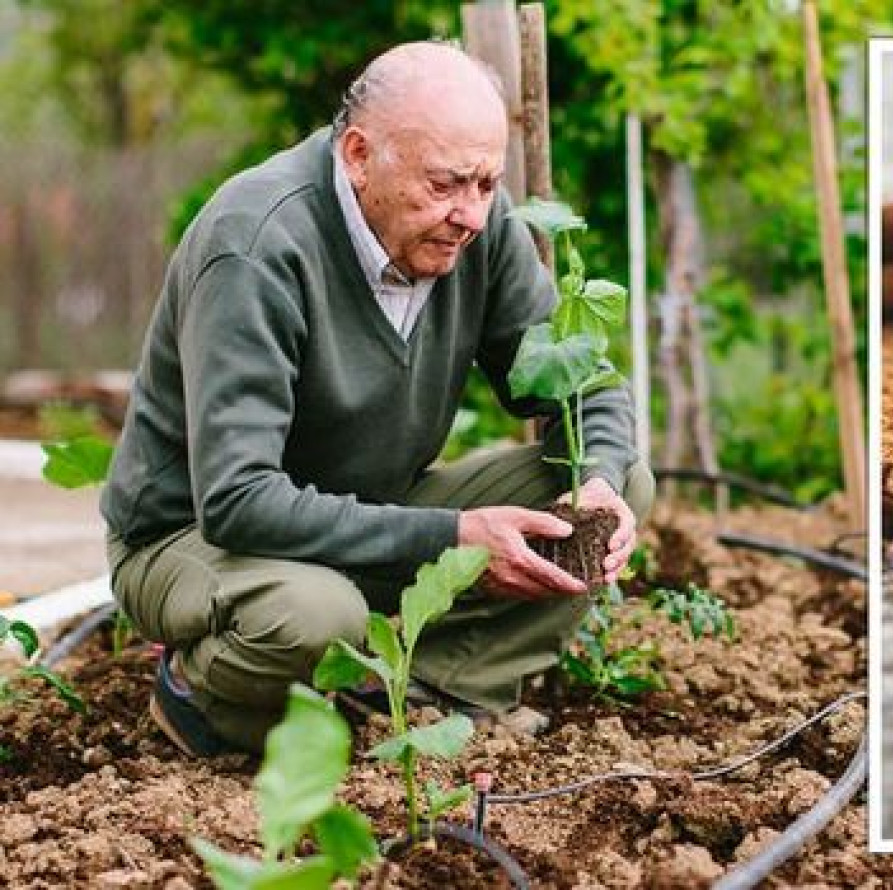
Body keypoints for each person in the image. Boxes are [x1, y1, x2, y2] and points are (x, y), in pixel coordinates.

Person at [100, 40, 652, 756]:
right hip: (195, 537)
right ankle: (202, 698)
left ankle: (420, 691)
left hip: (366, 511)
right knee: (313, 613)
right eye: (447, 184)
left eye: (487, 184)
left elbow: (585, 392)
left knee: (606, 487)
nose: (473, 214)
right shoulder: (259, 245)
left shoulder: (473, 229)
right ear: (359, 155)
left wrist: (599, 481)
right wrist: (458, 539)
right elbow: (237, 500)